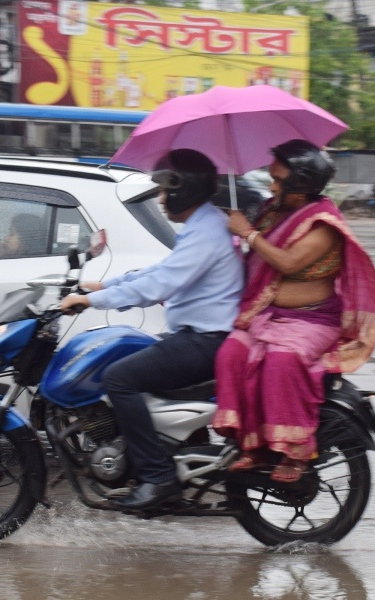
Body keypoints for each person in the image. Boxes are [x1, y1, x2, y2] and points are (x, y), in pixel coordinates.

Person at [60, 149, 243, 510]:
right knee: (123, 354)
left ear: (182, 189)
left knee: (118, 378)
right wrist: (99, 286)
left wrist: (91, 302)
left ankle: (158, 478)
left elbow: (160, 286)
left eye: (163, 190)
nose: (160, 199)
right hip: (197, 337)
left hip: (205, 341)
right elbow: (158, 272)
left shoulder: (206, 230)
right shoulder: (202, 225)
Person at [211, 139, 375, 484]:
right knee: (230, 354)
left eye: (278, 180)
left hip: (312, 320)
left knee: (281, 362)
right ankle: (252, 445)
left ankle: (295, 452)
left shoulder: (322, 224)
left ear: (301, 188)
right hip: (266, 315)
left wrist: (248, 232)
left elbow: (287, 261)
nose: (271, 186)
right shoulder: (274, 211)